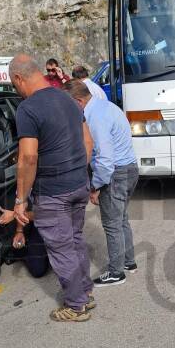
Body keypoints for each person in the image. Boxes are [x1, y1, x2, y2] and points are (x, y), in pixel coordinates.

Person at [8, 54, 94, 322]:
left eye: (14, 85)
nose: (16, 90)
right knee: (76, 240)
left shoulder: (28, 109)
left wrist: (21, 199)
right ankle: (85, 293)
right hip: (79, 183)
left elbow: (28, 157)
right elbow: (87, 141)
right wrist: (77, 170)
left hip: (52, 192)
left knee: (61, 248)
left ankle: (76, 305)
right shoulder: (67, 98)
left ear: (19, 79)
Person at [65, 79, 139, 286]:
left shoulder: (94, 117)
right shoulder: (107, 106)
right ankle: (128, 262)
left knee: (112, 224)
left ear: (78, 101)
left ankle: (116, 272)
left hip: (115, 173)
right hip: (130, 168)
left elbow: (105, 160)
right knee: (122, 219)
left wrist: (95, 186)